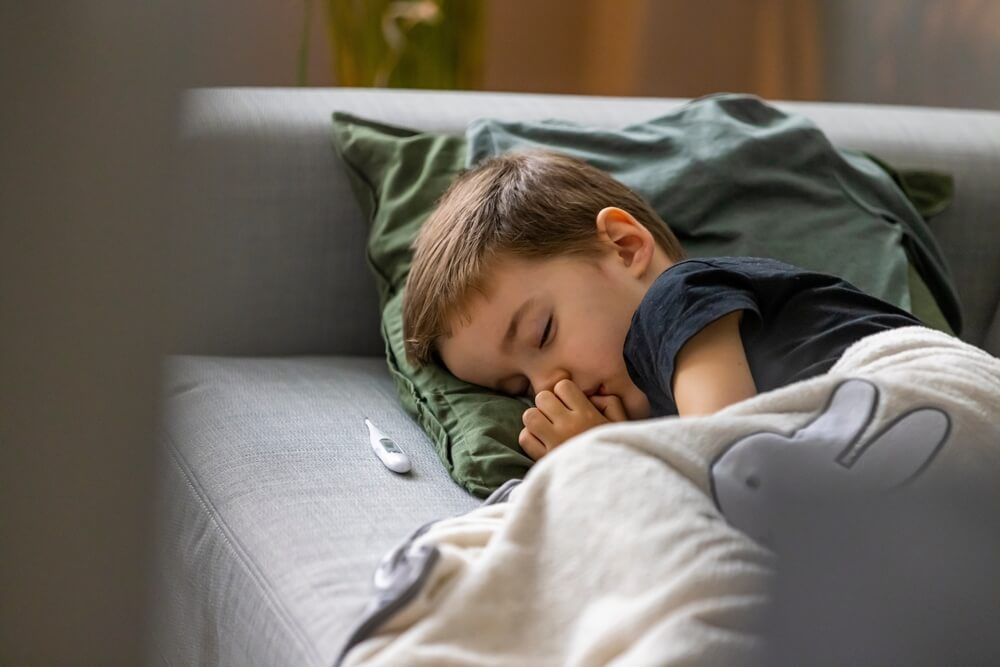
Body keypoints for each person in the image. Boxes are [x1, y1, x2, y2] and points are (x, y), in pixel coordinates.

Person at [401, 149, 923, 461]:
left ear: (625, 248)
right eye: (517, 389)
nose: (549, 389)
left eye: (542, 332)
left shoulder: (676, 299)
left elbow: (726, 458)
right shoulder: (660, 395)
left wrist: (602, 456)